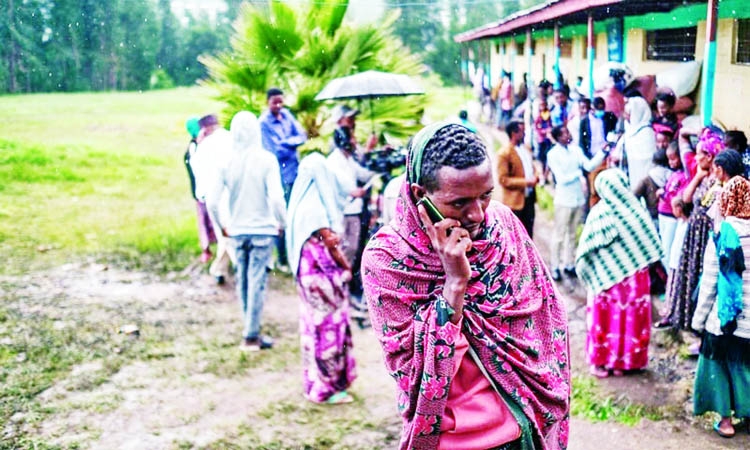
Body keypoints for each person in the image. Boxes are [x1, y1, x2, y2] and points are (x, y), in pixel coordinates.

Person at [361, 122, 570, 450]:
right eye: (459, 203)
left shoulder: (502, 226)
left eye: (485, 195)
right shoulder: (387, 259)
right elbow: (412, 376)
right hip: (453, 442)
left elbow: (546, 317)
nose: (477, 214)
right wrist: (455, 284)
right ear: (420, 194)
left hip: (523, 431)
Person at [206, 111, 287, 351]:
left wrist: (222, 227)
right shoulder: (266, 160)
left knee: (242, 280)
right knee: (257, 282)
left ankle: (248, 328)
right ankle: (251, 335)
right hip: (262, 230)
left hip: (237, 230)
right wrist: (281, 222)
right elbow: (275, 198)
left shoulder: (226, 161)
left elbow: (212, 201)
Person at [575, 169, 663, 378]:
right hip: (635, 280)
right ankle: (627, 363)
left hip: (606, 281)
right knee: (631, 321)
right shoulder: (636, 210)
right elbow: (649, 244)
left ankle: (602, 363)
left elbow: (585, 251)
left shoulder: (600, 213)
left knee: (605, 321)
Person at [286, 152, 357, 404]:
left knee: (312, 329)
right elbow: (333, 246)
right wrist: (347, 267)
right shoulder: (316, 209)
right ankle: (326, 388)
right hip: (323, 283)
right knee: (328, 331)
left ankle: (314, 382)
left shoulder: (300, 205)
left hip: (307, 281)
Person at [657, 138, 743, 332]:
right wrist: (697, 176)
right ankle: (686, 318)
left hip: (706, 234)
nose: (696, 158)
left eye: (700, 154)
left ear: (711, 157)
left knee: (704, 277)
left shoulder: (722, 187)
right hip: (694, 232)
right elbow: (687, 198)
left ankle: (697, 323)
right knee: (687, 271)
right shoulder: (705, 177)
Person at [692, 175, 750, 439]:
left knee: (718, 368)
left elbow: (710, 284)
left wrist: (698, 320)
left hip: (724, 320)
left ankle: (725, 422)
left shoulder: (721, 235)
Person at [327, 105, 377, 313]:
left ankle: (345, 292)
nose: (355, 141)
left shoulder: (348, 159)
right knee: (347, 251)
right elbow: (339, 184)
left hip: (354, 210)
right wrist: (352, 191)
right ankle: (340, 292)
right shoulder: (334, 160)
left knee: (353, 250)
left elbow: (363, 173)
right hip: (344, 212)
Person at [546, 125, 608, 281]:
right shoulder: (553, 154)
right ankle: (555, 266)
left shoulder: (576, 150)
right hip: (564, 199)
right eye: (565, 133)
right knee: (559, 234)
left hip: (577, 198)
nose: (569, 134)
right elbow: (561, 178)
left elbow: (589, 165)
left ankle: (569, 264)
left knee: (572, 234)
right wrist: (578, 174)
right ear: (558, 137)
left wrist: (603, 152)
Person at [260, 87, 308, 272]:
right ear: (267, 102)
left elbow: (302, 136)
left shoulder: (287, 115)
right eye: (275, 102)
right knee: (282, 217)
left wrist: (287, 142)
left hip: (294, 172)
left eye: (281, 101)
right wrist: (291, 143)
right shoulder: (263, 123)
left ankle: (294, 253)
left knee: (296, 213)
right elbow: (273, 151)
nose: (279, 105)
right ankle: (282, 258)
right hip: (279, 175)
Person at [193, 113, 235, 284]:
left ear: (205, 128)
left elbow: (197, 169)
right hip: (234, 194)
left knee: (225, 234)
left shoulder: (205, 145)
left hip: (215, 197)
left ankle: (235, 266)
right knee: (228, 234)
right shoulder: (232, 138)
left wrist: (200, 194)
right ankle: (220, 269)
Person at [497, 120, 538, 237]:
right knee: (515, 236)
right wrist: (526, 182)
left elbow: (531, 167)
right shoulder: (504, 153)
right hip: (514, 202)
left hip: (529, 199)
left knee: (528, 234)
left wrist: (536, 176)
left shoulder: (526, 149)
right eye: (522, 131)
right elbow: (503, 179)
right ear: (514, 133)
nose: (525, 134)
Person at [184, 116, 216, 264]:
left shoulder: (205, 144)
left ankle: (212, 248)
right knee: (204, 220)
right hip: (201, 192)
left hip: (208, 190)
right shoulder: (194, 147)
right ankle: (206, 249)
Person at [656, 142, 689, 270]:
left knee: (668, 251)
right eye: (668, 159)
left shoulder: (683, 177)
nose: (670, 162)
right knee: (664, 248)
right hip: (662, 215)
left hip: (671, 217)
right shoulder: (674, 175)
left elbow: (676, 198)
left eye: (673, 159)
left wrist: (663, 194)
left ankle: (671, 279)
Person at [615, 96, 657, 189]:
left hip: (645, 174)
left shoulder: (646, 132)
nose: (626, 117)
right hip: (631, 173)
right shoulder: (629, 131)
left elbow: (649, 160)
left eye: (628, 114)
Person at [633, 147, 673, 228]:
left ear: (653, 163)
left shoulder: (646, 179)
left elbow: (633, 196)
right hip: (671, 216)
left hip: (653, 217)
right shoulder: (673, 176)